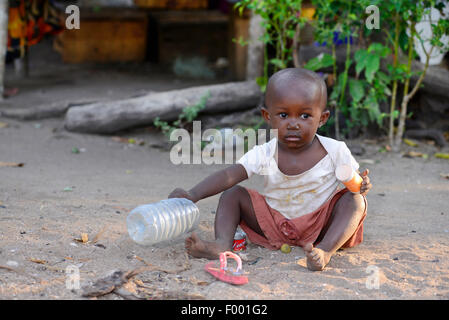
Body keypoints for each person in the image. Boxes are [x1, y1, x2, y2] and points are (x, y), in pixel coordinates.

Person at [168, 68, 372, 271]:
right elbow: (230, 175)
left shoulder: (335, 150)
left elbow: (354, 182)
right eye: (283, 115)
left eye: (305, 115)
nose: (293, 124)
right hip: (273, 223)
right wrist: (192, 194)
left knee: (354, 199)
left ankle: (324, 252)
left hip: (319, 227)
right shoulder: (265, 152)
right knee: (233, 193)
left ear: (322, 118)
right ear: (268, 116)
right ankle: (222, 244)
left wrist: (361, 185)